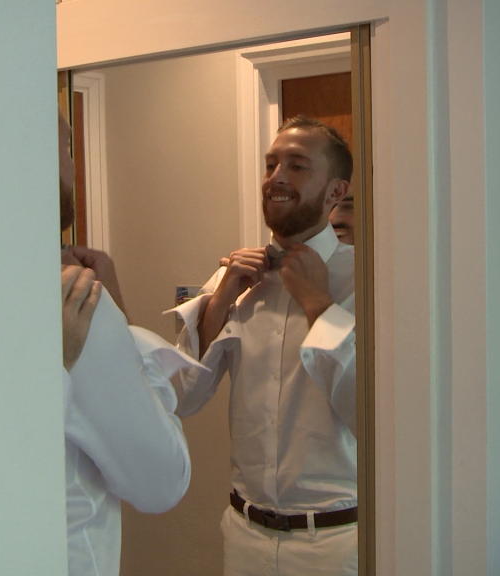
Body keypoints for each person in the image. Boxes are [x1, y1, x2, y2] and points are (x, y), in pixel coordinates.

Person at [169, 116, 357, 576]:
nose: (276, 177)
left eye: (297, 166)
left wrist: (319, 304)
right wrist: (219, 303)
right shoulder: (231, 280)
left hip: (336, 544)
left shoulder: (368, 280)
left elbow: (369, 412)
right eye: (272, 164)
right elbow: (182, 398)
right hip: (245, 536)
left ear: (335, 191)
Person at [57, 113, 200, 576]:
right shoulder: (75, 304)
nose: (72, 164)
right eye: (66, 146)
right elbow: (163, 481)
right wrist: (121, 323)